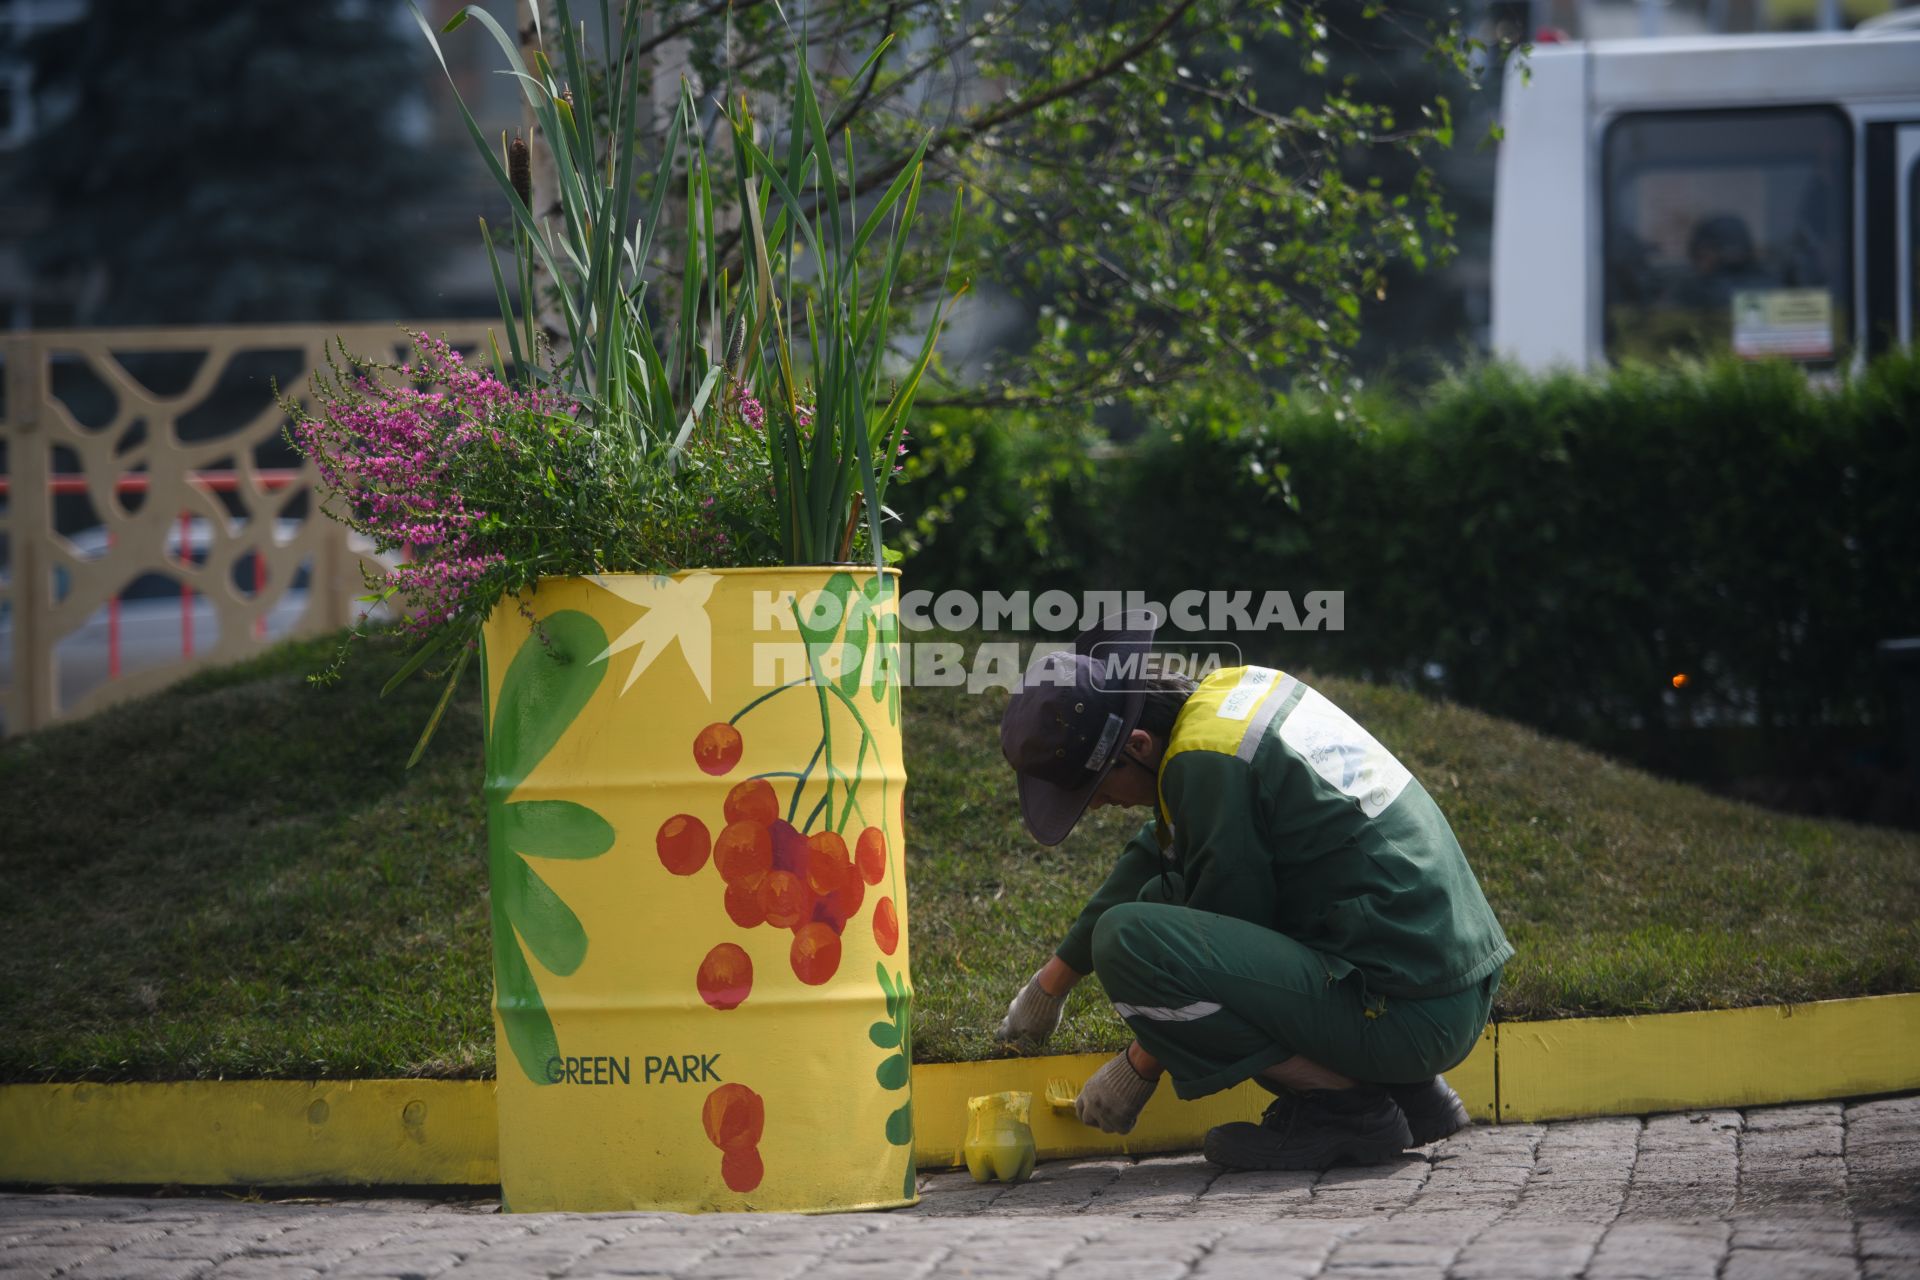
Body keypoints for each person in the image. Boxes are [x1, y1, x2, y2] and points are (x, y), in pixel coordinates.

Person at [994, 610, 1512, 1171]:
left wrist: (1138, 1066)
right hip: (1440, 981)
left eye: (1095, 787)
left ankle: (1345, 1111)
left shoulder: (1206, 766)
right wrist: (1051, 984)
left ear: (1138, 744)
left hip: (1411, 1010)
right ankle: (1413, 1093)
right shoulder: (1226, 703)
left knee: (1131, 941)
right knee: (1151, 908)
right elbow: (1158, 849)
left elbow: (1220, 944)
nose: (1096, 806)